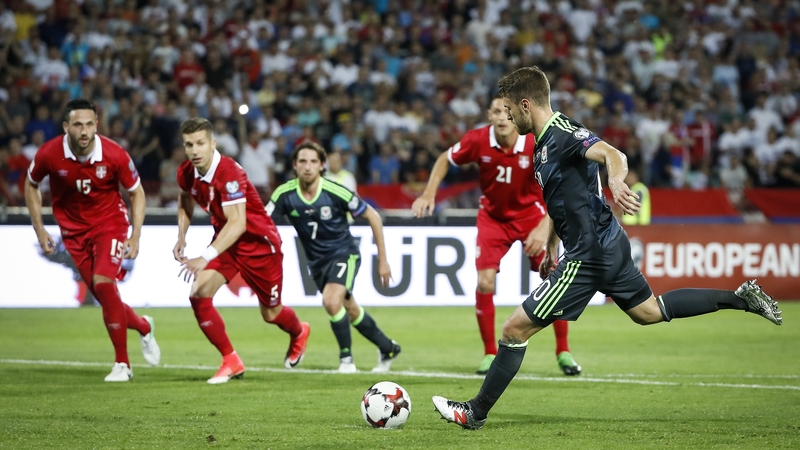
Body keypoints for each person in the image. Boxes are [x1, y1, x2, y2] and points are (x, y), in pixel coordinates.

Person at [432, 66, 782, 430]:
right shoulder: (541, 146)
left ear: (525, 104)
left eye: (508, 110)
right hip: (605, 244)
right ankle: (741, 298)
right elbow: (559, 201)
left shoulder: (564, 134)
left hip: (589, 255)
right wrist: (552, 245)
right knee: (648, 311)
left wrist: (615, 178)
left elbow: (611, 153)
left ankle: (475, 412)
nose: (506, 117)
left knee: (514, 330)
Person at [412, 96, 581, 376]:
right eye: (496, 112)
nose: (502, 117)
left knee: (553, 277)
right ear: (489, 116)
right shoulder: (477, 140)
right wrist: (429, 192)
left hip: (532, 217)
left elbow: (560, 186)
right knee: (485, 280)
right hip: (493, 218)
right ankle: (490, 353)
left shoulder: (534, 142)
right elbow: (444, 158)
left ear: (515, 115)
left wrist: (543, 226)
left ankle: (563, 350)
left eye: (507, 112)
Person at [25, 98, 160, 382]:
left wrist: (135, 235)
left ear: (97, 124)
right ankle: (144, 327)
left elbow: (137, 192)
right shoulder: (49, 153)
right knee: (105, 295)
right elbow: (31, 184)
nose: (84, 131)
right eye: (77, 125)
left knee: (103, 283)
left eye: (89, 124)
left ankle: (123, 364)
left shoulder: (114, 154)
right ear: (66, 127)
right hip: (73, 234)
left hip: (110, 225)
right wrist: (40, 229)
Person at [174, 117, 310, 384]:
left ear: (213, 144)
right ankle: (230, 360)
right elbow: (185, 197)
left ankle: (299, 331)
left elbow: (238, 224)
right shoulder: (186, 172)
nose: (195, 150)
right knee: (199, 293)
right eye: (189, 144)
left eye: (201, 143)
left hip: (259, 246)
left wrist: (205, 256)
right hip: (226, 244)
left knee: (270, 314)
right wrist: (181, 236)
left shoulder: (229, 174)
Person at [267, 141, 401, 373]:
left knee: (331, 301)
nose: (307, 166)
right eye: (302, 161)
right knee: (350, 309)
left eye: (313, 162)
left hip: (343, 253)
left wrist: (383, 260)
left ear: (321, 166)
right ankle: (388, 347)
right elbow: (262, 223)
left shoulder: (334, 191)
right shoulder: (284, 194)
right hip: (316, 263)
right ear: (295, 166)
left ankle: (346, 360)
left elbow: (373, 216)